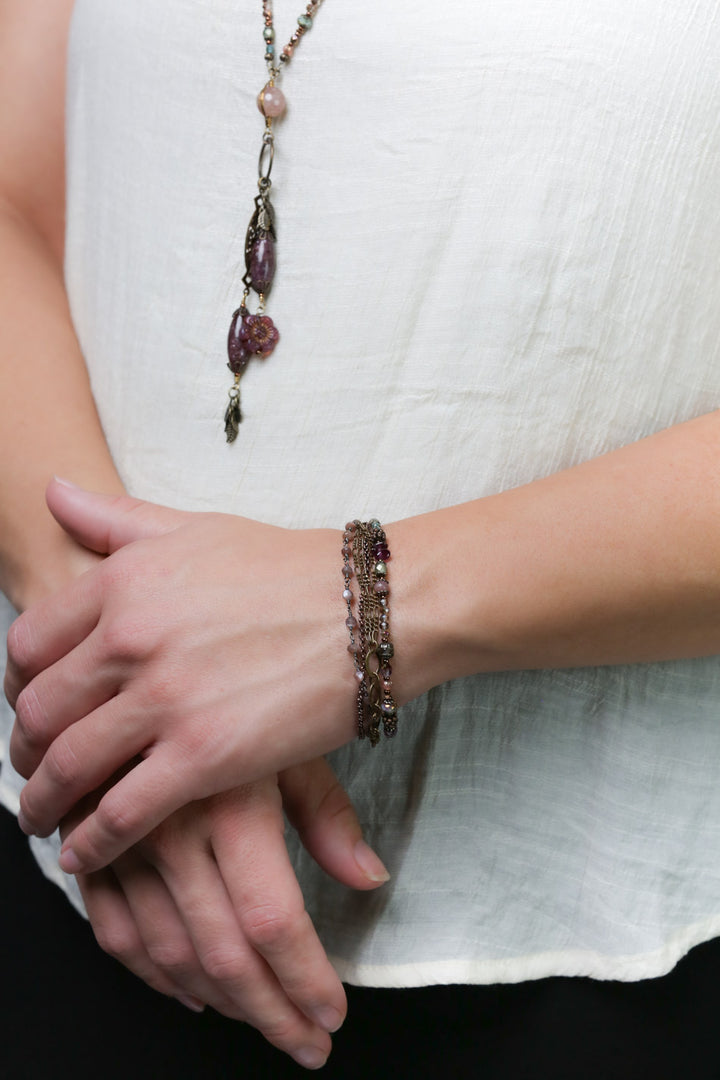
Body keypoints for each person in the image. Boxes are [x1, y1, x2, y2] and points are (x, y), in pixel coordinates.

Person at [4, 1, 720, 1076]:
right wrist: (119, 676)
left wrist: (362, 613)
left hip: (595, 945)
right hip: (88, 849)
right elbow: (11, 196)